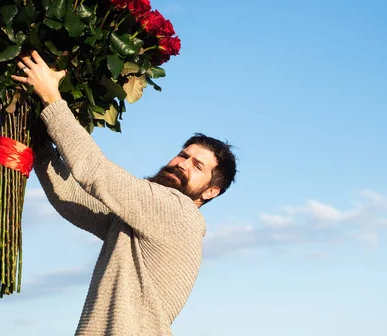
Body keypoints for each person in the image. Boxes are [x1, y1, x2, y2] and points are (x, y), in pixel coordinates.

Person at [12, 51, 237, 336]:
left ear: (210, 191)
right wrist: (39, 143)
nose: (182, 164)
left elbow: (95, 172)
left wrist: (52, 98)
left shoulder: (177, 211)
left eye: (197, 165)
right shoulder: (141, 223)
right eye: (183, 155)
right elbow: (70, 198)